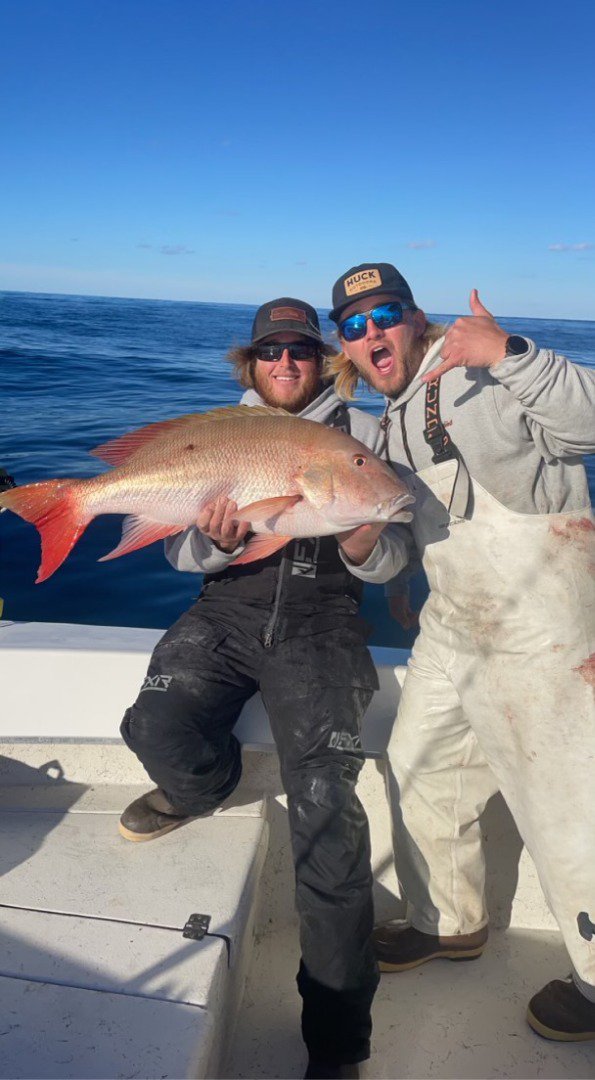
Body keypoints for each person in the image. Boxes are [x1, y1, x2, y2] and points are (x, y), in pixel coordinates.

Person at [118, 297, 412, 1079]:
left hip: (322, 629)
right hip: (226, 613)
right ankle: (201, 788)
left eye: (301, 350)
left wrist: (365, 545)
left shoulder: (363, 438)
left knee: (327, 813)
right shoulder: (218, 431)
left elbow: (395, 555)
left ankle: (337, 1043)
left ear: (322, 361)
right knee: (152, 724)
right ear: (250, 364)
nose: (286, 362)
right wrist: (215, 544)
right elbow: (181, 557)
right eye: (271, 351)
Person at [327, 262, 595, 1042]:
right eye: (353, 325)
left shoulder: (485, 374)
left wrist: (509, 352)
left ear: (416, 319)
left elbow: (586, 425)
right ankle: (447, 922)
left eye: (386, 314)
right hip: (452, 623)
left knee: (567, 805)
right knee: (419, 764)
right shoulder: (382, 428)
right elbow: (398, 554)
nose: (372, 332)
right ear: (345, 345)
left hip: (546, 624)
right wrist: (359, 547)